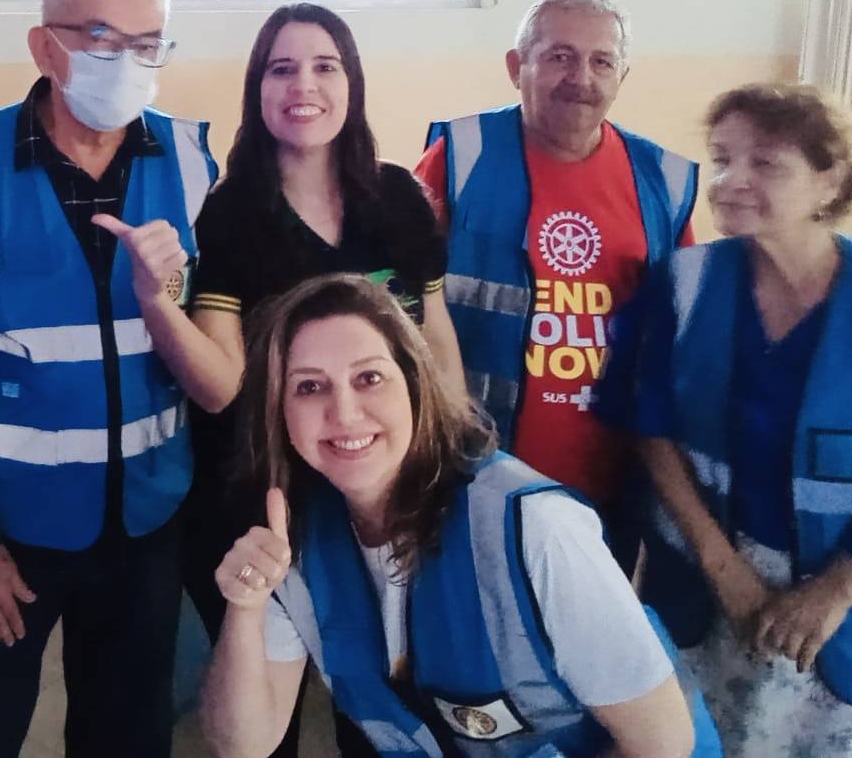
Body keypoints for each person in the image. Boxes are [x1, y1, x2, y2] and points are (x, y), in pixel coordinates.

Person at [0, 0, 229, 758]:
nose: (127, 63)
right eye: (101, 38)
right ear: (46, 46)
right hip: (9, 529)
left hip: (147, 523)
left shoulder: (196, 164)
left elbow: (216, 348)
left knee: (126, 738)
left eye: (149, 43)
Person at [201, 273, 715, 758]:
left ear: (414, 385)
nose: (345, 412)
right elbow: (244, 745)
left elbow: (662, 742)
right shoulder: (294, 543)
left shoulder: (534, 529)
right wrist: (245, 607)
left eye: (370, 378)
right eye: (309, 387)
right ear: (278, 412)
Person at [176, 3, 462, 755]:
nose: (304, 84)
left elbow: (433, 339)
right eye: (282, 67)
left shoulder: (400, 198)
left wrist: (456, 458)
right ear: (257, 91)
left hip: (383, 496)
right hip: (261, 497)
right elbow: (223, 384)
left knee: (381, 701)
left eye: (325, 65)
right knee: (263, 712)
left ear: (352, 83)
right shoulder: (229, 212)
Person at [602, 83, 852, 756]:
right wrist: (725, 570)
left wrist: (834, 593)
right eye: (721, 159)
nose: (730, 181)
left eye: (766, 163)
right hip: (710, 590)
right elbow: (648, 429)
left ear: (829, 182)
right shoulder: (681, 283)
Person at [415, 0, 697, 545]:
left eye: (601, 61)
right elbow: (394, 294)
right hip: (472, 469)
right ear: (516, 67)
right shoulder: (461, 156)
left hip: (611, 487)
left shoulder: (664, 180)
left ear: (623, 76)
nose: (582, 78)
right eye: (560, 56)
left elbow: (683, 331)